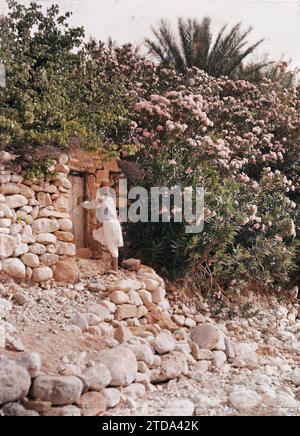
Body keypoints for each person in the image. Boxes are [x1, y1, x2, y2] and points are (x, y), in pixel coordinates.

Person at [82, 180, 124, 271]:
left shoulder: (103, 198)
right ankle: (114, 267)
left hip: (109, 224)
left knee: (111, 244)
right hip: (114, 223)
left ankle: (115, 269)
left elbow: (92, 204)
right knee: (98, 234)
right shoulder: (110, 199)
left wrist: (83, 203)